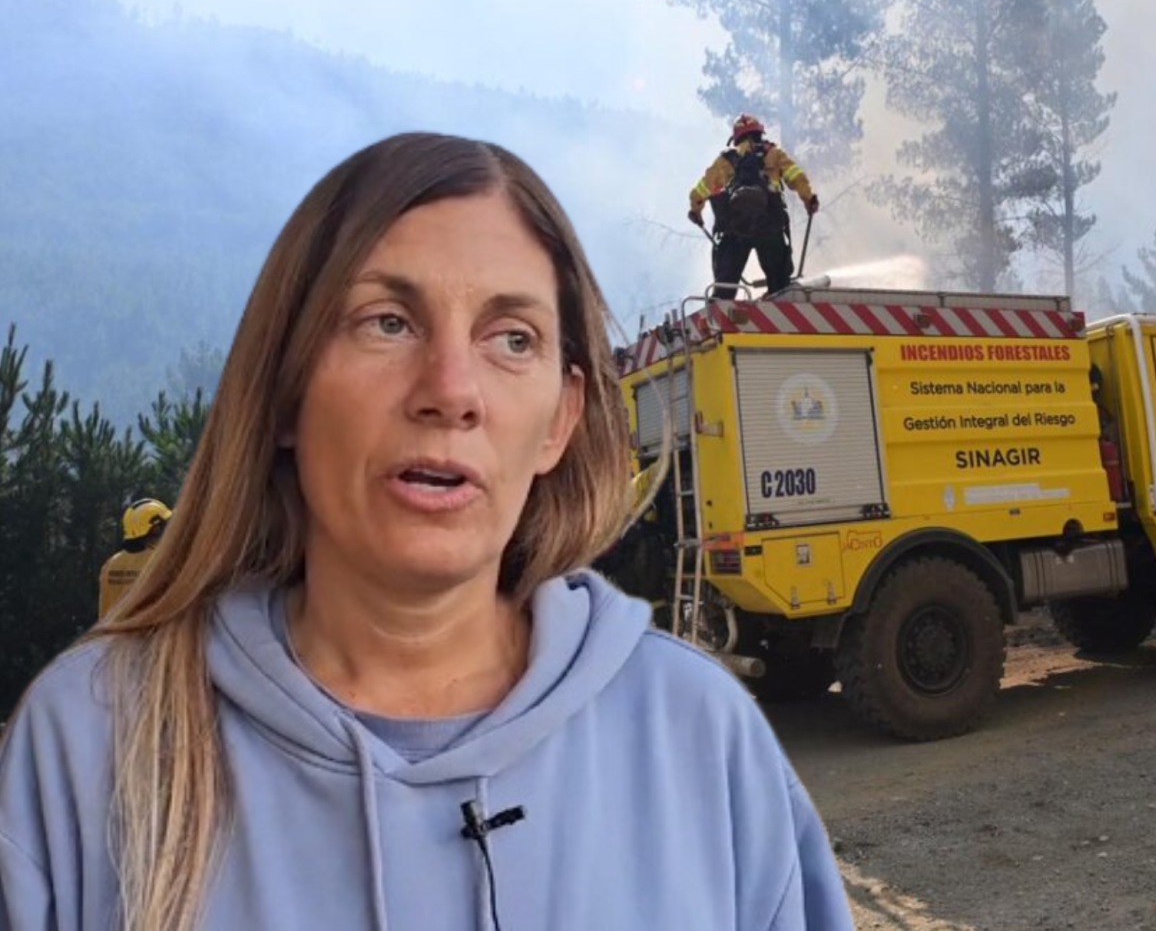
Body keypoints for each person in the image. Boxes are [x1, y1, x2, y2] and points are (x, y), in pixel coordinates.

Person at [0, 133, 853, 931]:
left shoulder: (699, 737)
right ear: (287, 387)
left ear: (560, 420)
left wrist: (717, 210)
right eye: (388, 322)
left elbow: (708, 192)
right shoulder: (87, 750)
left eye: (511, 338)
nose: (451, 390)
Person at [689, 113, 819, 298]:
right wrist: (809, 199)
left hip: (735, 230)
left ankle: (721, 314)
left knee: (724, 288)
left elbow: (700, 191)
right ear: (759, 133)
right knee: (780, 287)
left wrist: (696, 211)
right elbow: (796, 178)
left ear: (736, 138)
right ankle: (779, 302)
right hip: (769, 226)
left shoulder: (726, 160)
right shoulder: (773, 153)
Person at [97, 497, 172, 619]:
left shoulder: (111, 563)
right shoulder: (160, 563)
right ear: (156, 529)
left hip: (111, 635)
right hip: (145, 636)